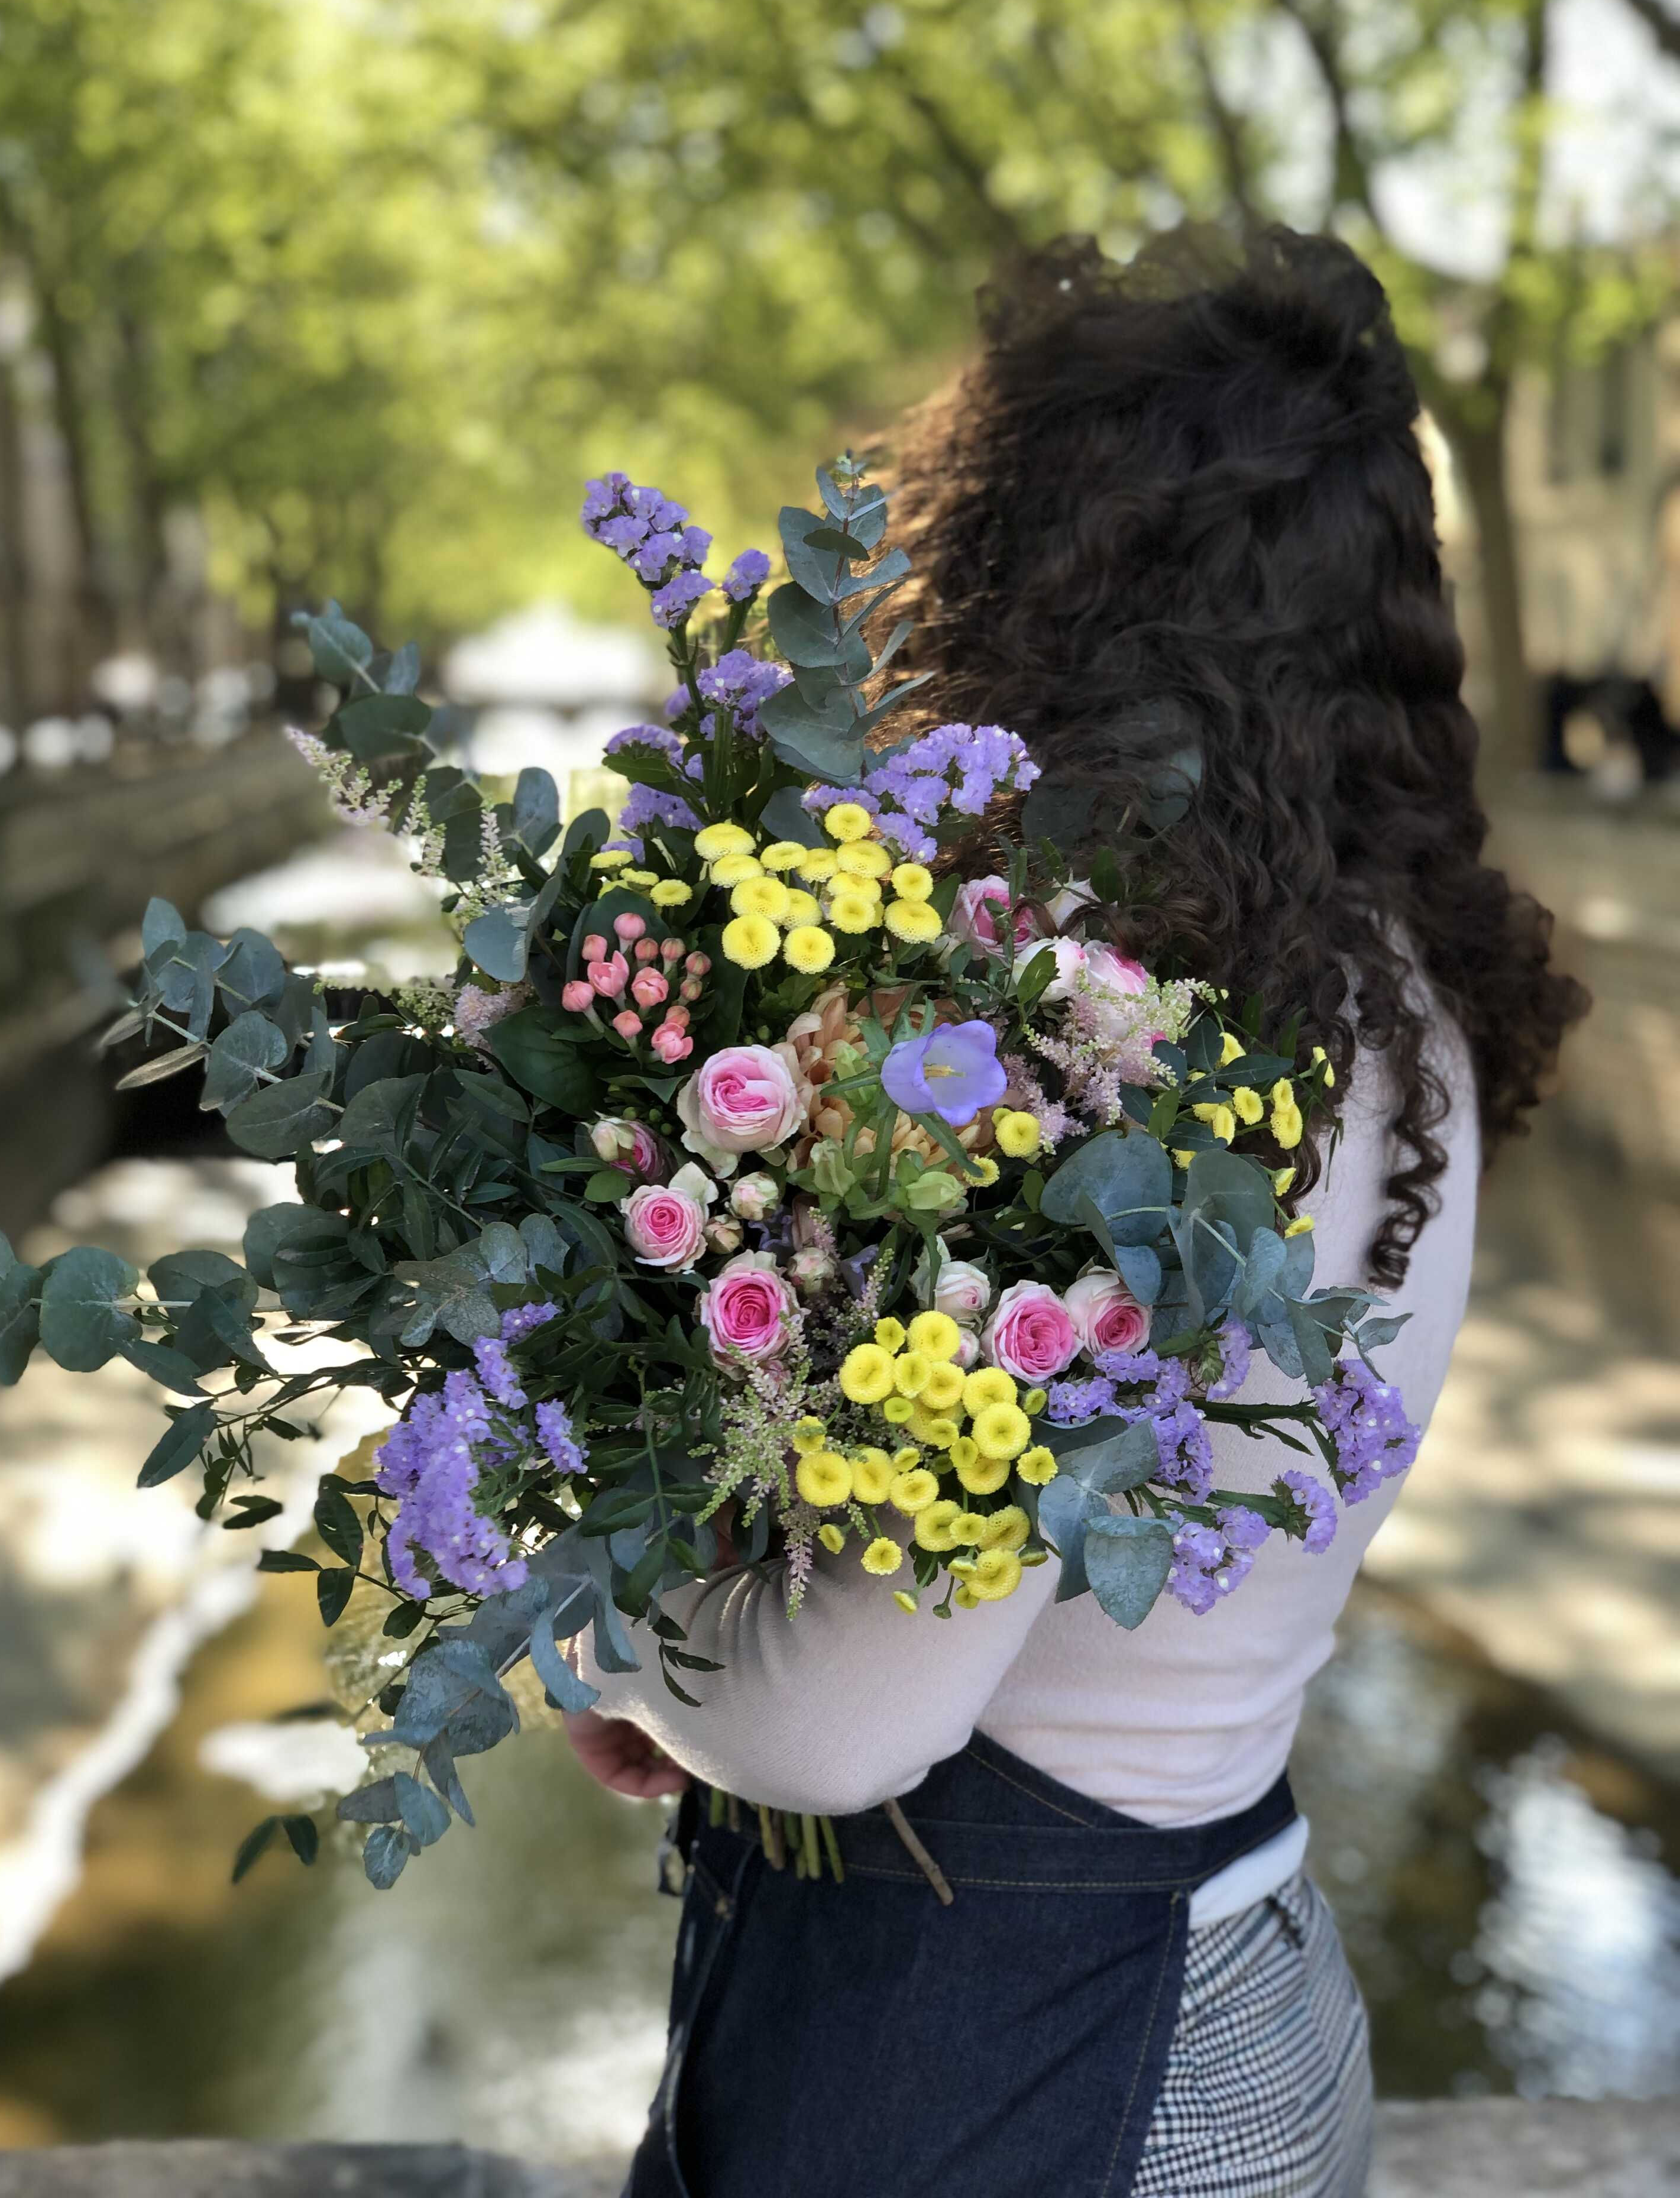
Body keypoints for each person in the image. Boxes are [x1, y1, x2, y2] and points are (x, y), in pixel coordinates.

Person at [564, 226, 1587, 2198]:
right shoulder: (1403, 1004)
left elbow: (847, 1733)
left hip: (1006, 2062)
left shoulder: (1087, 1032)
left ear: (1037, 568)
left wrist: (626, 1653)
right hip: (1243, 1986)